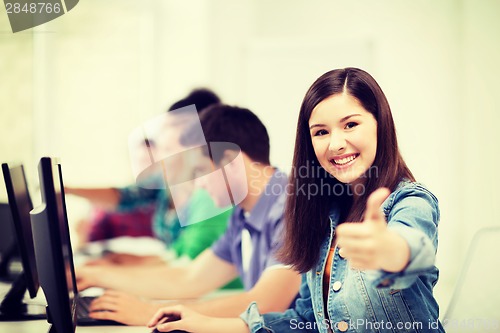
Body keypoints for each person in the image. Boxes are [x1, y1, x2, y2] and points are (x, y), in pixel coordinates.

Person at [146, 67, 445, 333]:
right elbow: (305, 320)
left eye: (351, 125)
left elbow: (414, 246)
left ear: (380, 123)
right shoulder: (321, 213)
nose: (336, 143)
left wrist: (391, 250)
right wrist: (205, 324)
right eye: (321, 132)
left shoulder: (410, 200)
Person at [75, 104, 302, 325]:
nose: (198, 185)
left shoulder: (291, 207)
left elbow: (268, 303)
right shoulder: (243, 214)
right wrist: (95, 275)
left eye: (200, 171)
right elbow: (190, 278)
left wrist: (154, 312)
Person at [66, 88, 236, 264]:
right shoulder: (168, 179)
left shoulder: (211, 197)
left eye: (170, 147)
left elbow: (188, 268)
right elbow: (177, 257)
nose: (160, 157)